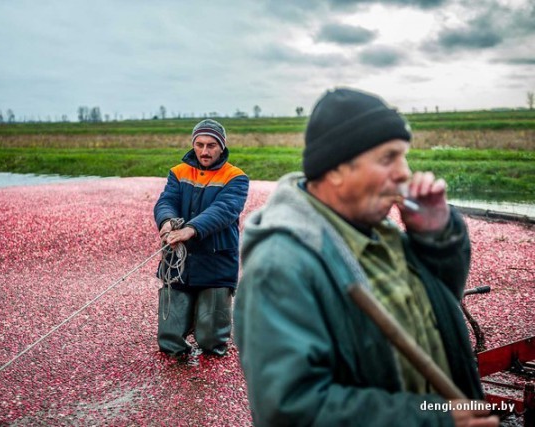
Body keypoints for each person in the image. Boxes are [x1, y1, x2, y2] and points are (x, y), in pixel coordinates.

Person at [233, 88, 499, 426]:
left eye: (404, 156)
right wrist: (434, 419)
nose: (405, 172)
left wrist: (437, 238)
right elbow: (291, 409)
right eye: (388, 158)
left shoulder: (380, 233)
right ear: (336, 170)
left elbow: (439, 312)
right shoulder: (281, 267)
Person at [154, 118, 249, 357]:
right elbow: (167, 201)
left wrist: (191, 229)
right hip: (179, 263)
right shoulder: (178, 172)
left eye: (211, 145)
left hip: (216, 264)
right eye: (200, 144)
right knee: (169, 342)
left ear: (222, 147)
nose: (205, 151)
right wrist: (166, 222)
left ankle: (206, 321)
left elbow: (224, 210)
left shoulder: (236, 177)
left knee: (210, 342)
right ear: (193, 145)